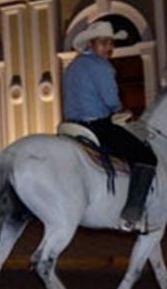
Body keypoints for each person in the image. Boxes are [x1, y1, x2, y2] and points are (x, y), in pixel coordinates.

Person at [63, 20, 157, 232]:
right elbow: (111, 101)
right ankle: (132, 214)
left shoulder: (73, 65)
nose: (109, 48)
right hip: (97, 126)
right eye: (103, 43)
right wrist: (123, 110)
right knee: (146, 157)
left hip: (70, 126)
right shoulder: (102, 66)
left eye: (111, 43)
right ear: (91, 44)